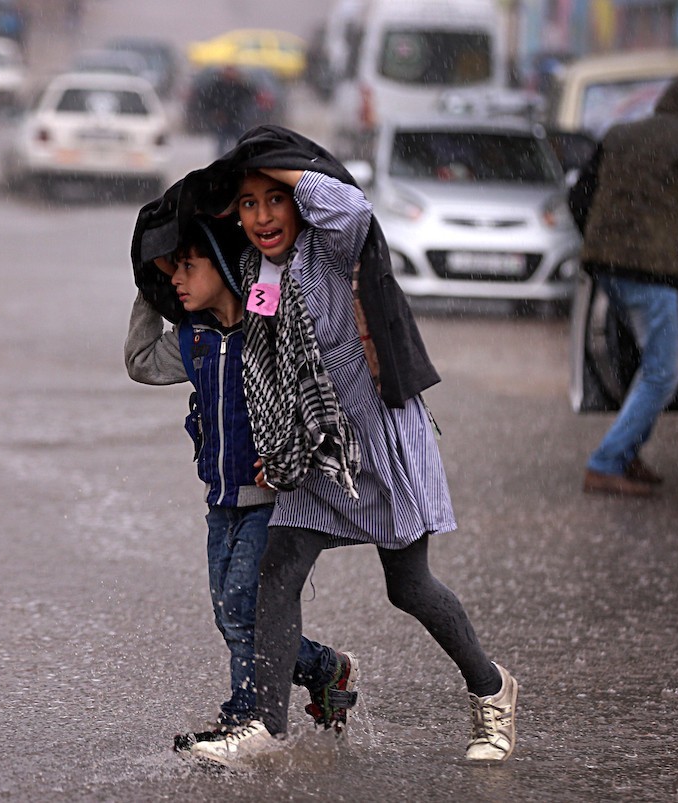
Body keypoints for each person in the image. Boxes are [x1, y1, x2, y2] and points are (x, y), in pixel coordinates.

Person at [184, 126, 517, 766]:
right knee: (275, 573)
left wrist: (283, 170)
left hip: (378, 438)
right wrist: (276, 445)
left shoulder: (329, 245)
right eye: (248, 204)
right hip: (314, 451)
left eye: (272, 200)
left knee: (410, 587)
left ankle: (493, 690)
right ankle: (264, 727)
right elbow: (270, 366)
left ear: (296, 199)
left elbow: (354, 206)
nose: (261, 217)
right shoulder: (256, 271)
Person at [124, 204, 361, 746]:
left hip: (273, 502)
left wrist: (293, 454)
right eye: (171, 271)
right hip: (221, 500)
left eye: (188, 267)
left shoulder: (269, 328)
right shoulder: (194, 340)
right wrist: (148, 288)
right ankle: (324, 668)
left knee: (242, 610)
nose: (177, 280)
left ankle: (244, 720)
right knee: (231, 617)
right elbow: (139, 360)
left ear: (225, 268)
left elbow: (314, 390)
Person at [568, 70, 678, 498]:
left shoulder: (619, 135)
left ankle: (628, 453)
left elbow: (579, 197)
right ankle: (605, 463)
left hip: (607, 268)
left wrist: (600, 241)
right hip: (654, 275)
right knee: (663, 372)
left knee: (647, 365)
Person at [201, 66, 256, 156]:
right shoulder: (216, 86)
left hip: (237, 118)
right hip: (222, 118)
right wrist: (215, 112)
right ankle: (222, 158)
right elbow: (208, 100)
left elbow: (249, 97)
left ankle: (242, 155)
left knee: (240, 138)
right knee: (222, 140)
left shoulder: (240, 86)